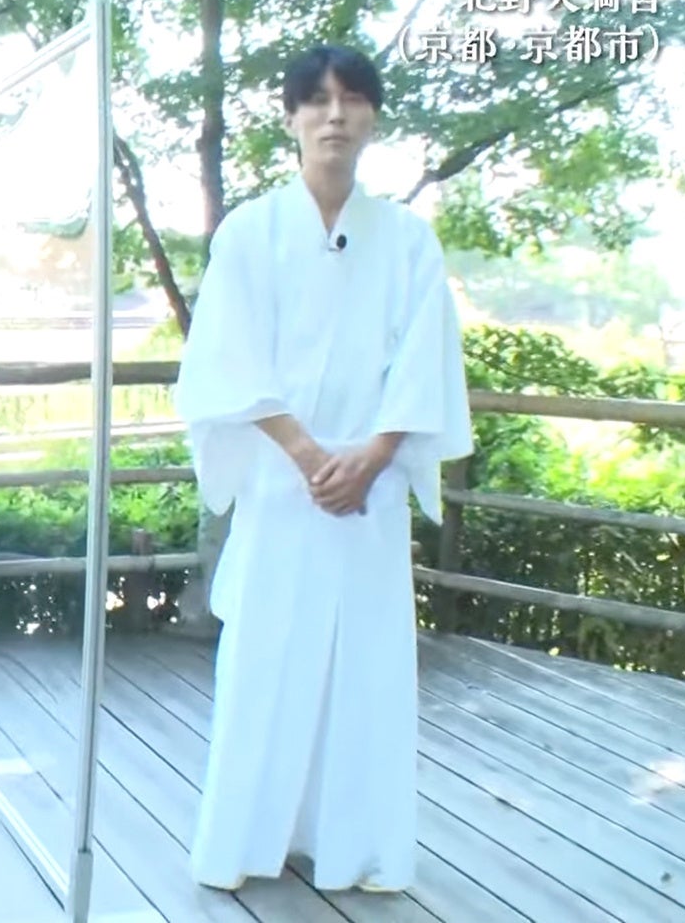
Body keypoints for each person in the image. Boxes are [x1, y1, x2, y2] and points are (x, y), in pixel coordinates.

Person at [174, 44, 473, 894]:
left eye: (351, 99)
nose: (334, 115)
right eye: (317, 100)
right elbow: (226, 357)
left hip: (371, 489)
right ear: (292, 118)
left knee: (366, 669)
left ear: (373, 116)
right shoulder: (251, 232)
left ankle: (361, 849)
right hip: (282, 481)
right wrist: (307, 455)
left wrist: (373, 456)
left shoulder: (408, 240)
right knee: (266, 660)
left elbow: (423, 362)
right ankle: (244, 844)